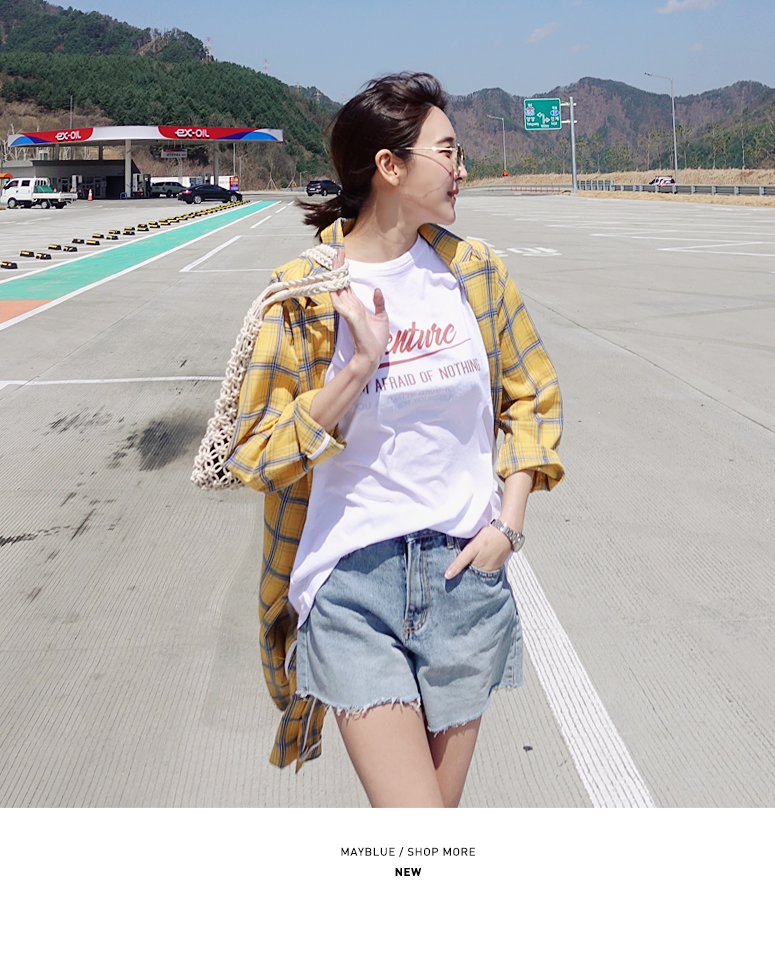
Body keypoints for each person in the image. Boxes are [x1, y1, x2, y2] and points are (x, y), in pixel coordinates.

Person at [226, 72, 563, 807]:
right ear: (389, 166)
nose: (461, 169)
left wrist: (509, 526)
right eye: (448, 151)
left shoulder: (474, 273)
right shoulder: (305, 293)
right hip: (353, 585)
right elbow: (253, 452)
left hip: (465, 576)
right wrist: (357, 369)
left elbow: (530, 397)